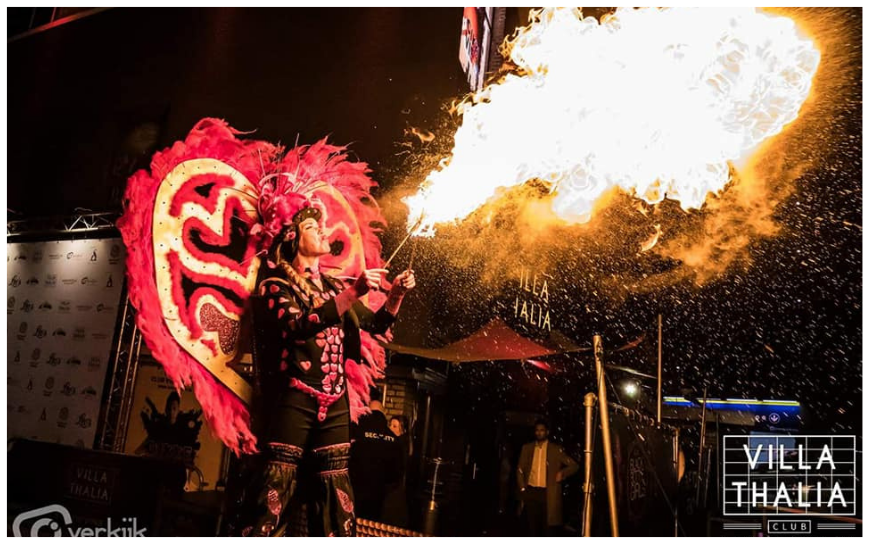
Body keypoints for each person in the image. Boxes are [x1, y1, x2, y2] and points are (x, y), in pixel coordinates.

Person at [229, 203, 415, 537]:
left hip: (336, 400)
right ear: (292, 239)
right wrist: (355, 290)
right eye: (313, 227)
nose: (323, 231)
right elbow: (298, 325)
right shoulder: (275, 285)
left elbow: (376, 323)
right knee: (276, 485)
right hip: (296, 397)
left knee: (336, 491)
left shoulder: (332, 286)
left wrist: (396, 295)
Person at [517, 419, 579, 536]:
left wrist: (562, 473)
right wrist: (523, 489)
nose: (539, 433)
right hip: (532, 491)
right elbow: (520, 469)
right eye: (537, 430)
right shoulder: (527, 448)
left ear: (547, 432)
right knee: (531, 527)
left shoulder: (555, 450)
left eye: (542, 430)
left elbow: (574, 465)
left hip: (548, 493)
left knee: (547, 527)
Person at [350, 396, 403, 522]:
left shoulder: (356, 430)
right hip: (380, 495)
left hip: (355, 490)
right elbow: (397, 473)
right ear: (383, 413)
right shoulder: (393, 439)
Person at [382, 415, 411, 527]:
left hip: (394, 492)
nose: (391, 429)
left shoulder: (399, 446)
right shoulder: (399, 444)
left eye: (395, 426)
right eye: (390, 425)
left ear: (402, 430)